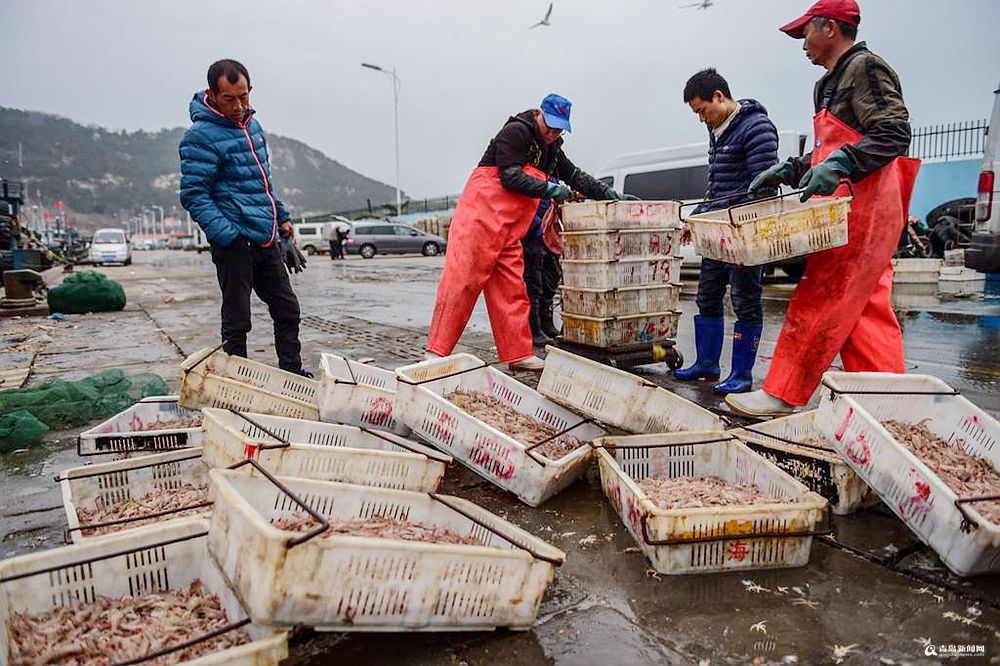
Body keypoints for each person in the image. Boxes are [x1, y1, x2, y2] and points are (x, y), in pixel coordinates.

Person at [728, 0, 919, 416]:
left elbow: (894, 132)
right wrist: (791, 168)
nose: (801, 44)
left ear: (830, 28)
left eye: (805, 33)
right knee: (865, 308)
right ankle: (890, 406)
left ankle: (783, 392)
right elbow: (827, 152)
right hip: (846, 208)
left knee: (823, 293)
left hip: (866, 210)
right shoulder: (827, 84)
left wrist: (845, 163)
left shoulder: (865, 68)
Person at [426, 94, 632, 371]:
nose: (553, 133)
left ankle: (518, 353)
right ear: (539, 114)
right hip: (479, 220)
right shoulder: (516, 132)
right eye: (551, 126)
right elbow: (510, 177)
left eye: (560, 129)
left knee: (513, 290)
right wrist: (550, 189)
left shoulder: (552, 148)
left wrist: (609, 194)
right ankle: (436, 353)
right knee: (461, 282)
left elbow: (575, 176)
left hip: (509, 230)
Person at [179, 59, 312, 377]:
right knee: (238, 319)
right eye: (229, 99)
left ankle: (293, 373)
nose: (239, 106)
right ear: (213, 94)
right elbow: (194, 195)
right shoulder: (200, 137)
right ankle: (237, 381)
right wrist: (227, 234)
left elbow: (262, 183)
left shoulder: (253, 127)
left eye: (244, 97)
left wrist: (281, 217)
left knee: (287, 309)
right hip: (235, 242)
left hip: (265, 238)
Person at [673, 69, 779, 394]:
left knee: (746, 300)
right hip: (717, 233)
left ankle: (741, 375)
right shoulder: (716, 130)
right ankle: (706, 364)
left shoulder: (756, 127)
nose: (701, 118)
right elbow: (716, 189)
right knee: (707, 296)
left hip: (745, 232)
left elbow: (764, 185)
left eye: (702, 110)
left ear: (719, 96)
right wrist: (697, 219)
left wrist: (732, 219)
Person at [522, 186, 563, 345]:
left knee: (550, 279)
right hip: (533, 234)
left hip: (548, 233)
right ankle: (534, 328)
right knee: (534, 282)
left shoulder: (551, 172)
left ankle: (547, 323)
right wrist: (539, 226)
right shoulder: (531, 171)